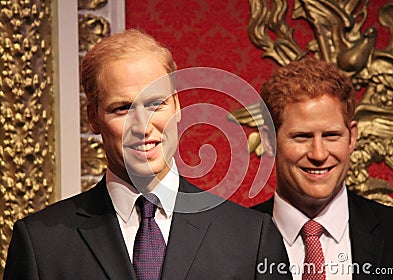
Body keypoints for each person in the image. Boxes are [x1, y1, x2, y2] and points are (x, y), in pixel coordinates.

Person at [4, 29, 290, 279]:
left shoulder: (251, 237)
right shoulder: (41, 243)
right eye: (122, 108)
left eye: (156, 104)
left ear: (177, 106)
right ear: (92, 117)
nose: (142, 126)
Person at [252, 58, 393, 279]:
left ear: (352, 138)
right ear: (269, 140)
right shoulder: (229, 240)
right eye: (302, 137)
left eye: (331, 136)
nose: (319, 154)